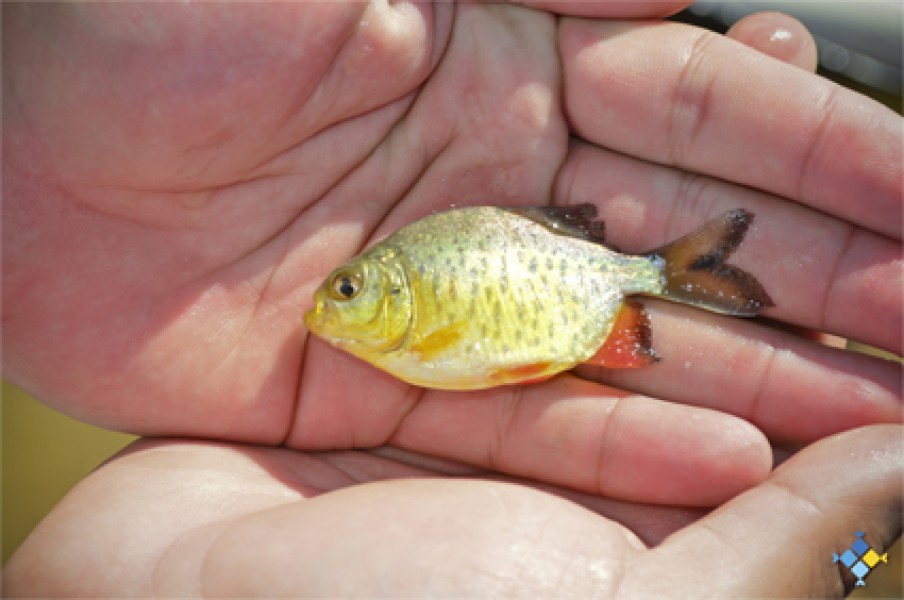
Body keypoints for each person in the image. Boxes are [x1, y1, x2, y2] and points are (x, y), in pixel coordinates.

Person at [3, 1, 901, 596]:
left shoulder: (415, 322)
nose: (328, 310)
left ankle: (675, 274)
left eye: (348, 291)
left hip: (593, 291)